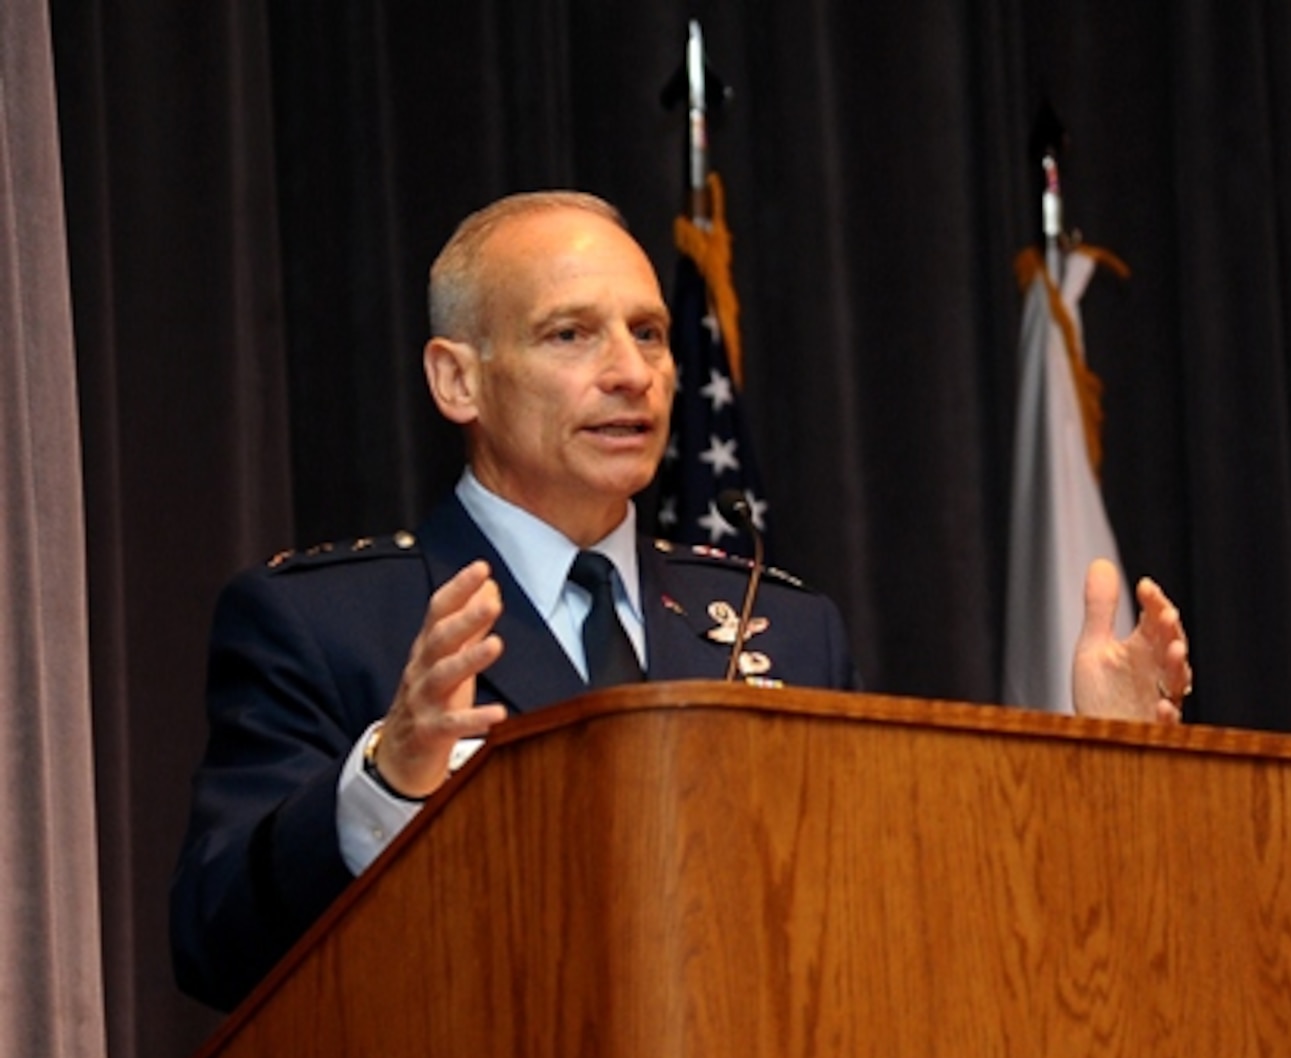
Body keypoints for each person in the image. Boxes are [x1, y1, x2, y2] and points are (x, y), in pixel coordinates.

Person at [172, 191, 1192, 1012]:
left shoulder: (784, 627)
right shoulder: (327, 624)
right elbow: (213, 945)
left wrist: (1093, 767)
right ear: (457, 381)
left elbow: (903, 926)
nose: (631, 374)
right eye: (570, 335)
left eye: (650, 334)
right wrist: (384, 783)